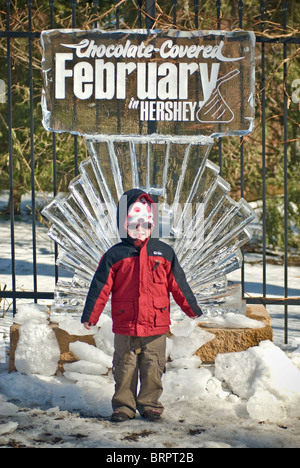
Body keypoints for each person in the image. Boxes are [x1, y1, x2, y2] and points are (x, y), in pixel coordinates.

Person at [81, 188, 202, 422]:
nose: (140, 228)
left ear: (153, 224)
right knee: (124, 366)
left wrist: (191, 309)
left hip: (156, 324)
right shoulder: (115, 255)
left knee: (153, 366)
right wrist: (91, 315)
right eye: (133, 223)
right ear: (123, 224)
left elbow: (178, 283)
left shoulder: (164, 252)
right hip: (126, 322)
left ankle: (150, 403)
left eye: (146, 223)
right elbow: (100, 287)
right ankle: (123, 405)